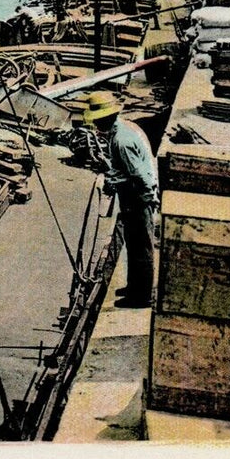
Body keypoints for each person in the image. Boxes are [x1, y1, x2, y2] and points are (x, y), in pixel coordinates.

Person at [83, 90, 158, 309]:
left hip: (138, 198)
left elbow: (141, 176)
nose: (96, 126)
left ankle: (142, 296)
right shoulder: (119, 134)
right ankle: (134, 286)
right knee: (133, 245)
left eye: (98, 120)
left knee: (141, 248)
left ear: (106, 118)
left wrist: (147, 201)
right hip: (131, 196)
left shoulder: (121, 142)